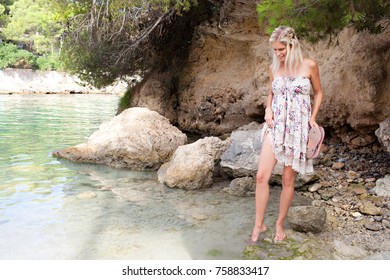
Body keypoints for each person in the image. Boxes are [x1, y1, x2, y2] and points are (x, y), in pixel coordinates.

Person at [251, 26, 324, 242]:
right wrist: (267, 109)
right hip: (275, 127)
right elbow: (271, 93)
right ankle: (259, 225)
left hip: (298, 129)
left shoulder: (309, 65)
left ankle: (279, 224)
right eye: (275, 50)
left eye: (281, 49)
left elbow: (319, 92)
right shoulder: (274, 68)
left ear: (292, 45)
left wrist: (313, 118)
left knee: (287, 180)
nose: (278, 54)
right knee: (261, 176)